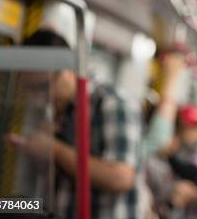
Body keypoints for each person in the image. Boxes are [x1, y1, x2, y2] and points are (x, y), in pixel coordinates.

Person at [10, 29, 144, 218]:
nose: (39, 98)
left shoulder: (111, 103)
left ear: (68, 71)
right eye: (30, 89)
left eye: (42, 86)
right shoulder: (58, 111)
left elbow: (120, 178)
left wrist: (54, 149)